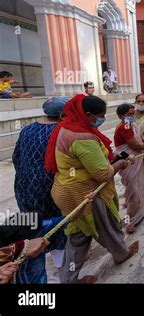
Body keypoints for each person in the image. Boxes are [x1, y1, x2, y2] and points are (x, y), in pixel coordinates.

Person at [44, 94, 139, 284]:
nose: (102, 119)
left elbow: (101, 156)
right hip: (84, 194)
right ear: (88, 115)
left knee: (88, 231)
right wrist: (120, 164)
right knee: (95, 230)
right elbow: (102, 173)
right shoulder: (83, 138)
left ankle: (70, 277)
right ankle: (72, 278)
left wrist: (118, 157)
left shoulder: (69, 126)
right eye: (100, 115)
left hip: (69, 190)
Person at [12, 96, 69, 283]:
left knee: (34, 224)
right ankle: (64, 271)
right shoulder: (60, 131)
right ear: (62, 114)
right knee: (57, 226)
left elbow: (16, 157)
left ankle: (37, 254)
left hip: (23, 184)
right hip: (48, 185)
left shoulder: (27, 129)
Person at [114, 104, 144, 233]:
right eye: (129, 114)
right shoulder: (124, 126)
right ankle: (131, 220)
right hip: (126, 156)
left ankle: (140, 210)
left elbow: (141, 138)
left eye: (133, 114)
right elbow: (135, 144)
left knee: (138, 185)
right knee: (133, 187)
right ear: (121, 116)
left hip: (134, 156)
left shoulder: (132, 125)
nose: (132, 116)